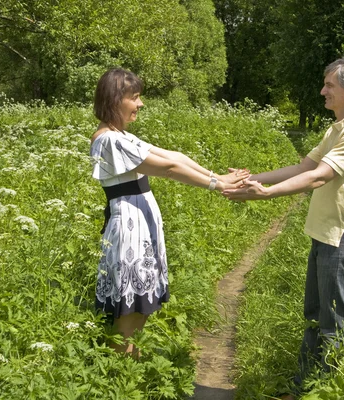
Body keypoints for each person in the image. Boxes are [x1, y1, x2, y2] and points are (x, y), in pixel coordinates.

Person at [223, 58, 344, 398]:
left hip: (342, 242)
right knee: (313, 318)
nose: (322, 90)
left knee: (334, 326)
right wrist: (247, 181)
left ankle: (329, 392)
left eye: (330, 85)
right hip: (325, 238)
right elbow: (302, 166)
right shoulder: (337, 129)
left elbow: (318, 176)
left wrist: (265, 194)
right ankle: (303, 389)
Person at [90, 68, 248, 357]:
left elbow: (175, 157)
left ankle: (130, 367)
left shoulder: (120, 136)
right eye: (134, 97)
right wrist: (217, 184)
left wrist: (218, 177)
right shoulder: (109, 141)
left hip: (140, 229)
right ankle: (118, 375)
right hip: (129, 231)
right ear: (115, 99)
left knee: (139, 312)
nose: (141, 104)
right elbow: (169, 169)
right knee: (129, 313)